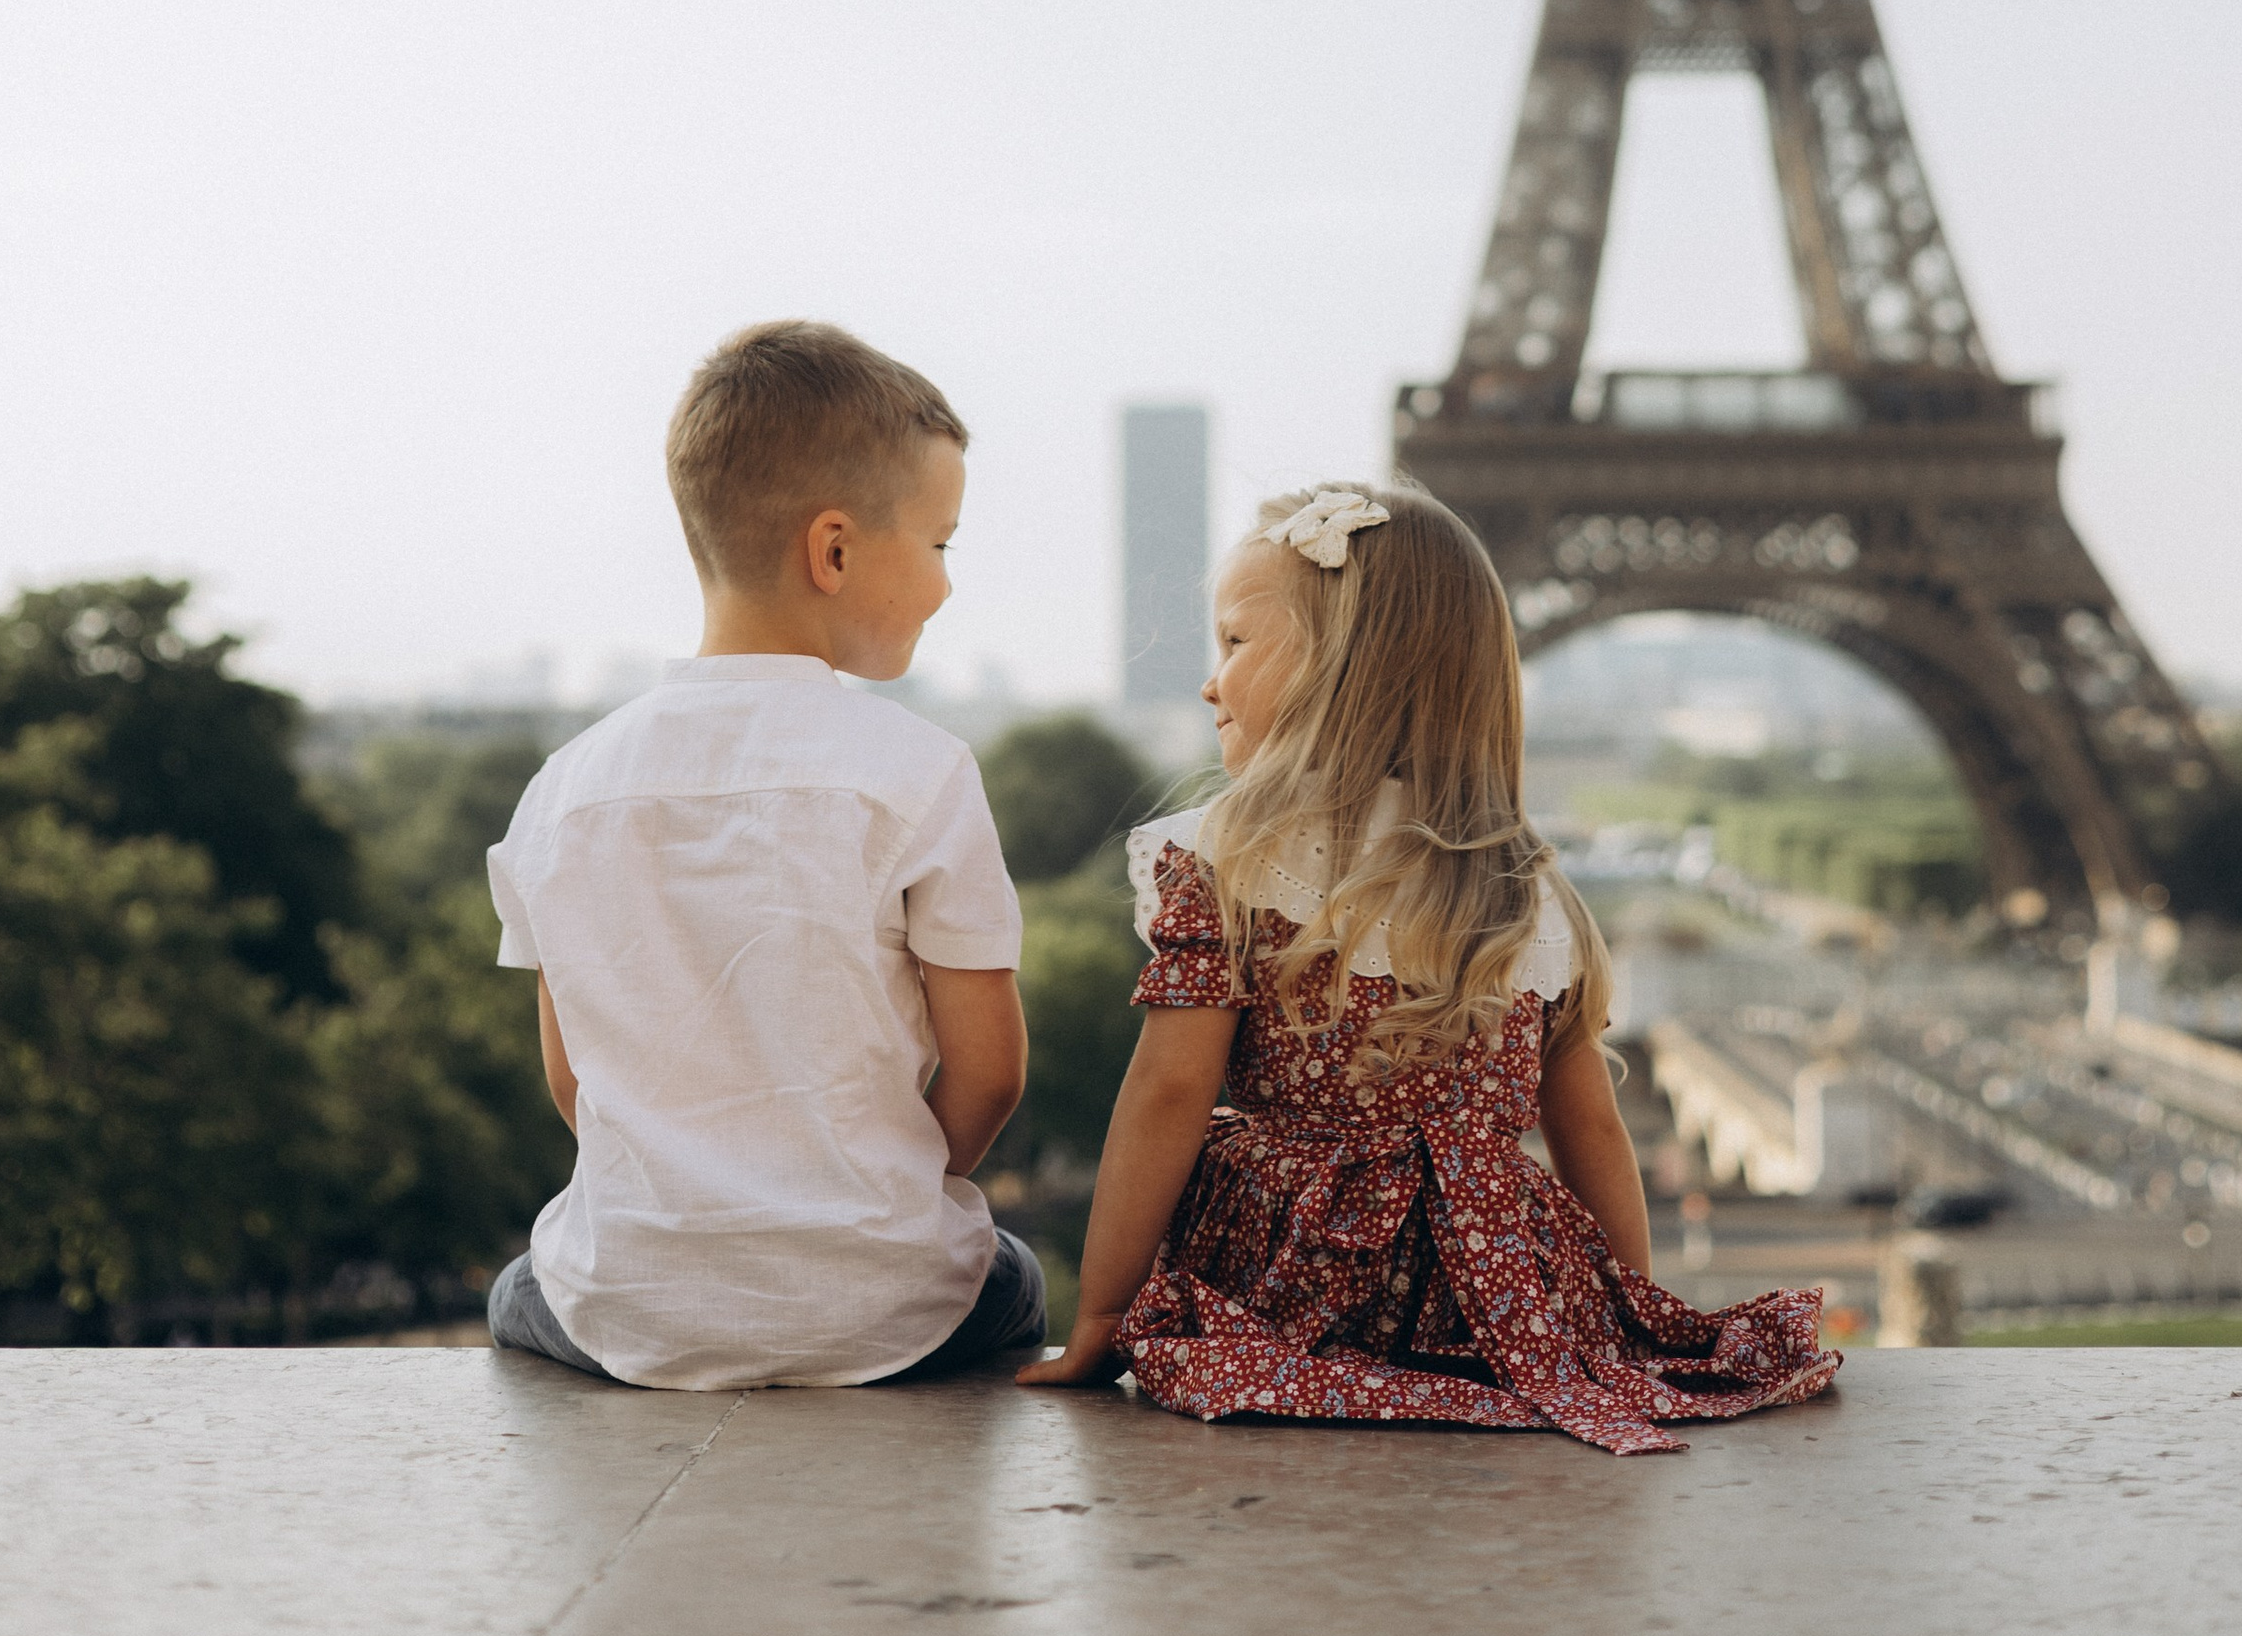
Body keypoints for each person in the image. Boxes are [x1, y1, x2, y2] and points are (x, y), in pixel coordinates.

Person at [1019, 480, 1838, 1451]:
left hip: (1301, 1293)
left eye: (1234, 642)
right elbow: (1590, 1129)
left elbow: (1168, 1094)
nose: (1210, 682)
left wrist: (1103, 1316)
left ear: (1341, 668)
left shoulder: (1228, 862)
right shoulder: (1526, 889)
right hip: (1493, 1303)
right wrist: (1622, 1324)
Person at [483, 318, 1045, 1387]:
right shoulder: (921, 771)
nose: (946, 584)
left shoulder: (561, 792)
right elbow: (990, 1075)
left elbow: (571, 1080)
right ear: (833, 550)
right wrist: (883, 1203)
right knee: (1010, 1276)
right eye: (940, 545)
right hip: (883, 1307)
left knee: (520, 1288)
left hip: (632, 1308)